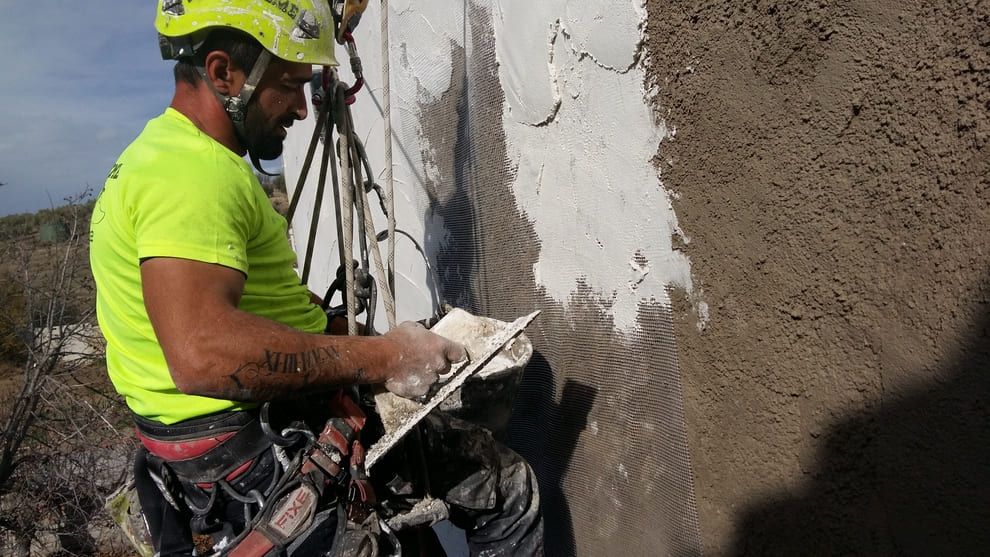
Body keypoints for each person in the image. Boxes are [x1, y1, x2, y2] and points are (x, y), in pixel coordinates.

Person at [89, 1, 543, 555]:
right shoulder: (193, 176)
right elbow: (201, 354)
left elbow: (226, 305)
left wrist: (332, 327)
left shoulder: (154, 158)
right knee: (507, 490)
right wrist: (385, 358)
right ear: (222, 72)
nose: (303, 110)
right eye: (289, 84)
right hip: (253, 454)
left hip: (205, 459)